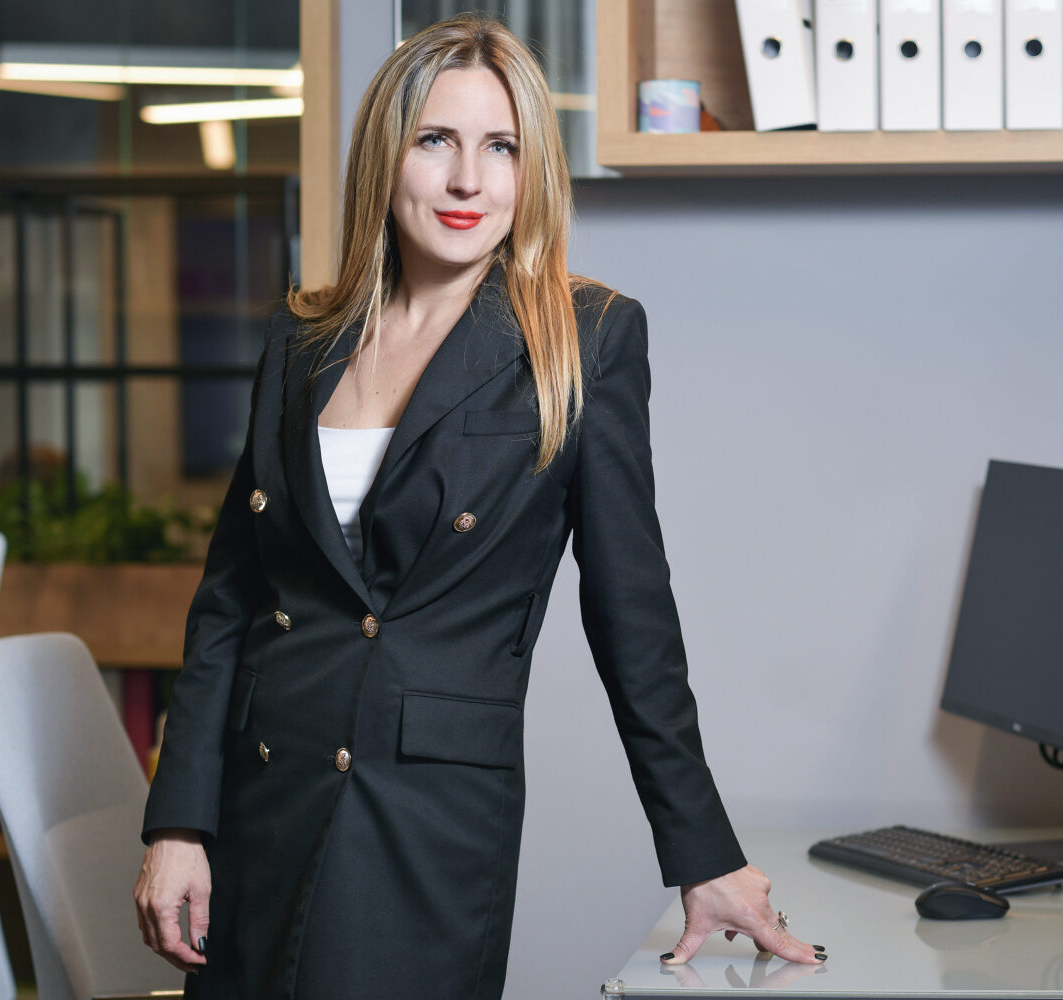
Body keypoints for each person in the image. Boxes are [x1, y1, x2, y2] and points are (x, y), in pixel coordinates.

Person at [133, 14, 823, 999]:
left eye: (501, 147)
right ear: (387, 157)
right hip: (262, 798)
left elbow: (632, 614)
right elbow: (230, 601)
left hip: (428, 813)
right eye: (436, 141)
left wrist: (701, 850)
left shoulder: (584, 338)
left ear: (531, 169)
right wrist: (178, 822)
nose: (469, 181)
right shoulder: (301, 340)